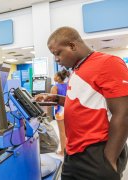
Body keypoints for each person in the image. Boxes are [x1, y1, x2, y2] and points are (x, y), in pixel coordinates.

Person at [35, 26, 128, 180]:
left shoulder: (108, 63)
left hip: (96, 153)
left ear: (72, 46)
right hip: (74, 152)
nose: (56, 59)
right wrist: (57, 99)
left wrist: (109, 159)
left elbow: (123, 113)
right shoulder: (78, 69)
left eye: (58, 53)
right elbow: (83, 103)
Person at [51, 69, 69, 156]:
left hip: (60, 111)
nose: (54, 77)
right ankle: (68, 149)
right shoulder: (68, 85)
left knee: (62, 132)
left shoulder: (55, 87)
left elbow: (52, 101)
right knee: (68, 131)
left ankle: (62, 151)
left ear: (58, 77)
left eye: (55, 75)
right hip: (68, 110)